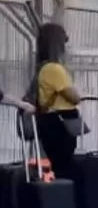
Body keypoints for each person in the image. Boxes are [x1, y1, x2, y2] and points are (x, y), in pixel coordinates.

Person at [28, 23, 82, 182]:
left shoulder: (42, 68)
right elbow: (74, 97)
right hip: (60, 124)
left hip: (50, 122)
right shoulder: (54, 69)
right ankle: (68, 202)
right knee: (64, 167)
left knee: (57, 166)